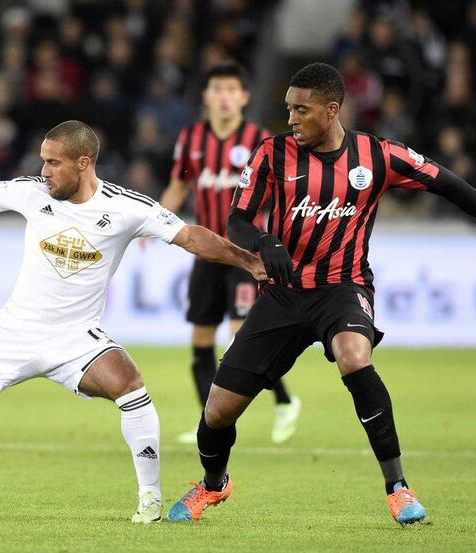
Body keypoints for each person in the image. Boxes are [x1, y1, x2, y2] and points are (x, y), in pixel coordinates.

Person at [167, 63, 476, 525]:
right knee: (219, 411)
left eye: (300, 110)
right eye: (287, 108)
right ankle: (212, 485)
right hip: (283, 294)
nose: (290, 118)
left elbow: (447, 184)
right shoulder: (271, 153)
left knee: (354, 354)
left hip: (342, 289)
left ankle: (398, 488)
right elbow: (237, 220)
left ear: (332, 110)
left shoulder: (377, 155)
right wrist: (265, 241)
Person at [0, 120, 266, 524]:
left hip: (77, 340)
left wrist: (248, 261)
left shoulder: (126, 207)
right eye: (43, 161)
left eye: (53, 163)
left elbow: (190, 236)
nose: (43, 171)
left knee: (131, 389)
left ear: (83, 163)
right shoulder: (32, 192)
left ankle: (149, 499)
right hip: (13, 333)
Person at [161, 62, 301, 445]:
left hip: (244, 255)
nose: (223, 96)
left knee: (242, 334)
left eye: (230, 89)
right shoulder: (191, 139)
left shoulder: (259, 140)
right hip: (207, 255)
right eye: (216, 88)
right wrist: (152, 221)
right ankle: (209, 419)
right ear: (206, 96)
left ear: (243, 97)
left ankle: (285, 401)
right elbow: (179, 185)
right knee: (202, 339)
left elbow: (283, 192)